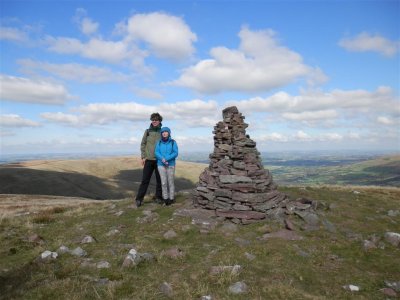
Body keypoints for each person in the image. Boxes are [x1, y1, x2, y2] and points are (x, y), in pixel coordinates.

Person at [135, 113, 163, 207]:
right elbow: (143, 144)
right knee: (145, 180)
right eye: (153, 119)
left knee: (159, 180)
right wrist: (143, 157)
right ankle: (139, 199)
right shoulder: (147, 131)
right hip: (149, 160)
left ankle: (158, 197)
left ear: (160, 121)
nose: (154, 121)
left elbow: (166, 144)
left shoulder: (162, 132)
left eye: (156, 119)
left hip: (159, 160)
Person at [155, 127, 179, 206]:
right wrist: (162, 159)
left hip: (170, 164)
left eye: (166, 132)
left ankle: (171, 198)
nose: (164, 133)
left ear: (169, 133)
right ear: (161, 133)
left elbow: (175, 153)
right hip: (161, 165)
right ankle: (165, 198)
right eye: (163, 132)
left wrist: (166, 159)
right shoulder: (159, 142)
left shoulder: (173, 142)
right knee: (164, 182)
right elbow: (156, 152)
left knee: (171, 182)